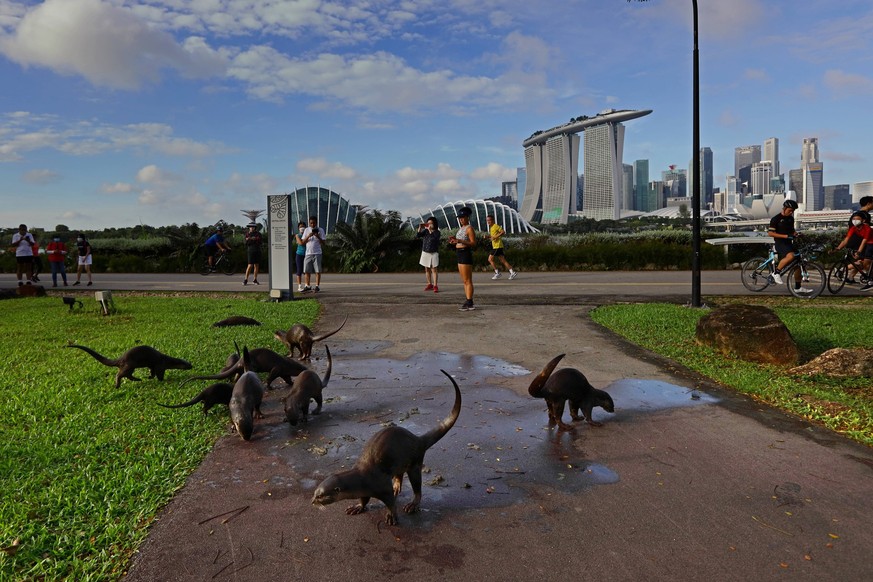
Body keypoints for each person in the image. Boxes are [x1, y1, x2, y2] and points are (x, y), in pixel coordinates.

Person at [767, 199, 810, 293]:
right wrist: (785, 236)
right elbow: (770, 233)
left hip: (789, 243)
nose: (791, 212)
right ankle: (776, 272)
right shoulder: (776, 219)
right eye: (790, 210)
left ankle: (798, 288)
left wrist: (796, 234)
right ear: (784, 208)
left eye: (793, 211)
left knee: (797, 264)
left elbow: (791, 230)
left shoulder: (791, 218)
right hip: (780, 243)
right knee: (791, 256)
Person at [448, 206, 477, 311]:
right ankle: (468, 300)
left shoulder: (469, 228)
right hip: (459, 253)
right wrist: (454, 241)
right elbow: (459, 241)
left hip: (465, 253)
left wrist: (460, 241)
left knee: (468, 280)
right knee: (464, 280)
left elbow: (473, 243)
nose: (461, 220)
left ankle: (470, 302)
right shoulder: (461, 228)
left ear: (468, 217)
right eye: (459, 218)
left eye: (463, 217)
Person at [834, 210, 870, 284]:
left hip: (868, 245)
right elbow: (846, 239)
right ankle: (843, 270)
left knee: (861, 263)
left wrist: (859, 251)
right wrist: (838, 248)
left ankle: (850, 277)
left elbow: (864, 241)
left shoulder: (867, 228)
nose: (855, 221)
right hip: (866, 246)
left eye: (857, 219)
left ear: (863, 220)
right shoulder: (853, 228)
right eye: (853, 219)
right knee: (864, 263)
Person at [484, 214, 517, 280]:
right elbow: (493, 236)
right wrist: (488, 237)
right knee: (503, 260)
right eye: (487, 220)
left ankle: (497, 273)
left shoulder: (495, 226)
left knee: (490, 259)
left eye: (489, 220)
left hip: (497, 246)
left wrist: (495, 237)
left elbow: (503, 232)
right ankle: (512, 272)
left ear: (493, 220)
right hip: (497, 246)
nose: (488, 222)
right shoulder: (491, 227)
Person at [416, 217, 441, 292]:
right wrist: (420, 228)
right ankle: (429, 284)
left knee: (434, 269)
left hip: (433, 252)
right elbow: (418, 235)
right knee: (427, 269)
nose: (429, 225)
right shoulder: (425, 231)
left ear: (434, 224)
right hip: (425, 252)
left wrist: (430, 230)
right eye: (428, 223)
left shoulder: (437, 232)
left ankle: (435, 285)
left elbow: (434, 238)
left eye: (431, 223)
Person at [301, 216, 326, 292]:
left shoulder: (321, 230)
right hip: (308, 253)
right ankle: (307, 285)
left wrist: (318, 236)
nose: (312, 224)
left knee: (317, 270)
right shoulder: (306, 230)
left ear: (316, 222)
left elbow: (324, 243)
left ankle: (317, 286)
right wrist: (309, 235)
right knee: (306, 271)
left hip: (317, 253)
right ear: (309, 223)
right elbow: (302, 242)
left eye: (314, 223)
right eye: (311, 223)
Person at [294, 221, 307, 292]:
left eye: (303, 227)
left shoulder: (307, 234)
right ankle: (299, 286)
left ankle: (306, 285)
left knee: (306, 271)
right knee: (299, 270)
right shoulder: (297, 235)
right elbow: (301, 243)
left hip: (307, 254)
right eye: (300, 227)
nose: (302, 228)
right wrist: (307, 238)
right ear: (298, 228)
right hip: (299, 254)